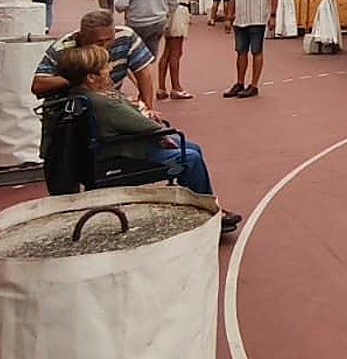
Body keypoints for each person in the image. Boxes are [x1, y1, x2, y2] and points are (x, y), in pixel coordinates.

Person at [54, 45, 241, 233]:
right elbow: (144, 125)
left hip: (117, 147)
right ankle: (209, 212)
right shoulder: (103, 103)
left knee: (192, 148)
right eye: (104, 66)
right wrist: (155, 128)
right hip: (125, 155)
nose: (110, 68)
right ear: (91, 77)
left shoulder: (85, 96)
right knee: (190, 157)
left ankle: (199, 202)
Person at [31, 9, 160, 152]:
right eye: (99, 42)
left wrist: (147, 107)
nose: (105, 46)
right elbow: (38, 85)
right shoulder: (62, 49)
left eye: (109, 40)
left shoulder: (125, 36)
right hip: (74, 110)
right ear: (83, 37)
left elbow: (143, 72)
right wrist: (79, 76)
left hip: (104, 103)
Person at [224, 0, 278, 99]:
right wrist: (229, 17)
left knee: (256, 51)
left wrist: (272, 15)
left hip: (257, 19)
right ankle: (240, 82)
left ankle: (254, 85)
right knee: (240, 52)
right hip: (240, 20)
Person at [158, 0, 197, 100]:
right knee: (175, 52)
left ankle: (162, 87)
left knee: (169, 51)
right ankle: (176, 87)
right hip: (177, 11)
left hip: (183, 9)